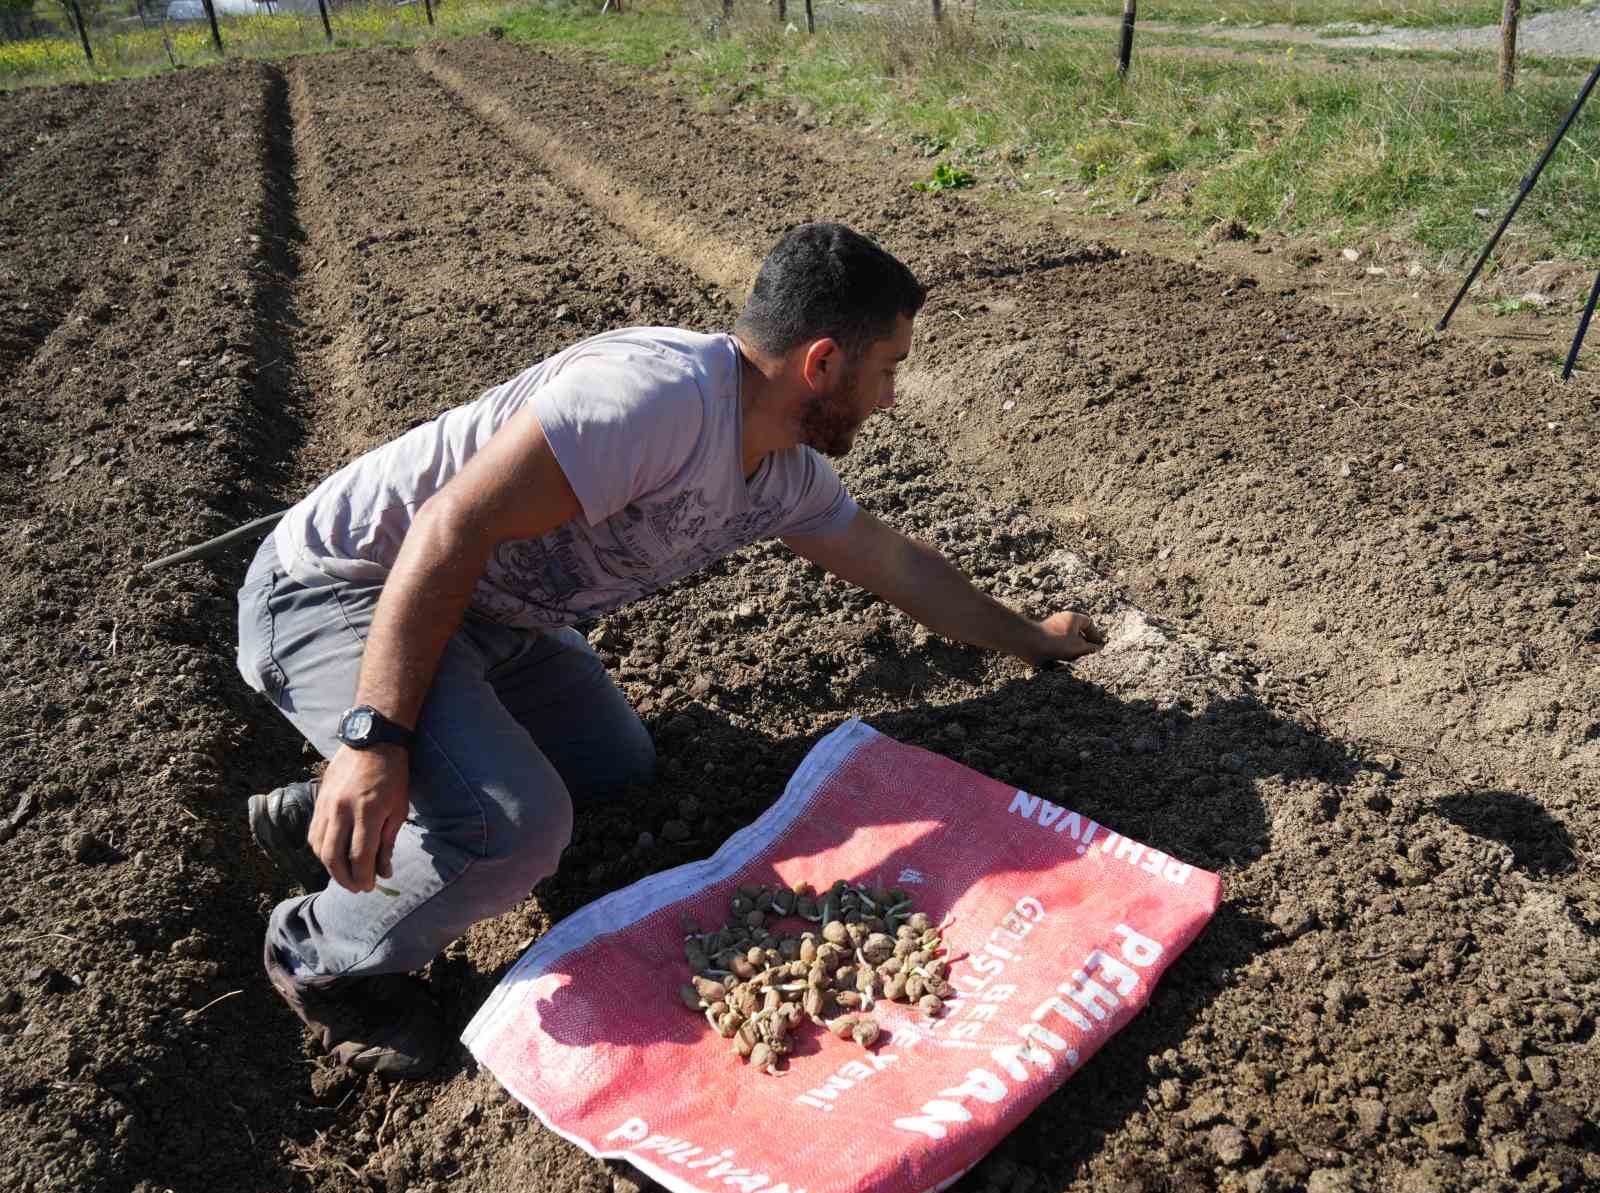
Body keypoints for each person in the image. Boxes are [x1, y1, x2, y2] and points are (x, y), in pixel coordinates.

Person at [235, 222, 1104, 1080]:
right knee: (513, 827)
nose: (888, 397)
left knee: (614, 773)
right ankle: (317, 953)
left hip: (493, 618)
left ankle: (367, 806)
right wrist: (373, 737)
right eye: (887, 370)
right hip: (343, 590)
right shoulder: (651, 402)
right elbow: (448, 527)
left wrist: (1032, 638)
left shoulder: (782, 473)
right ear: (824, 363)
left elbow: (898, 566)